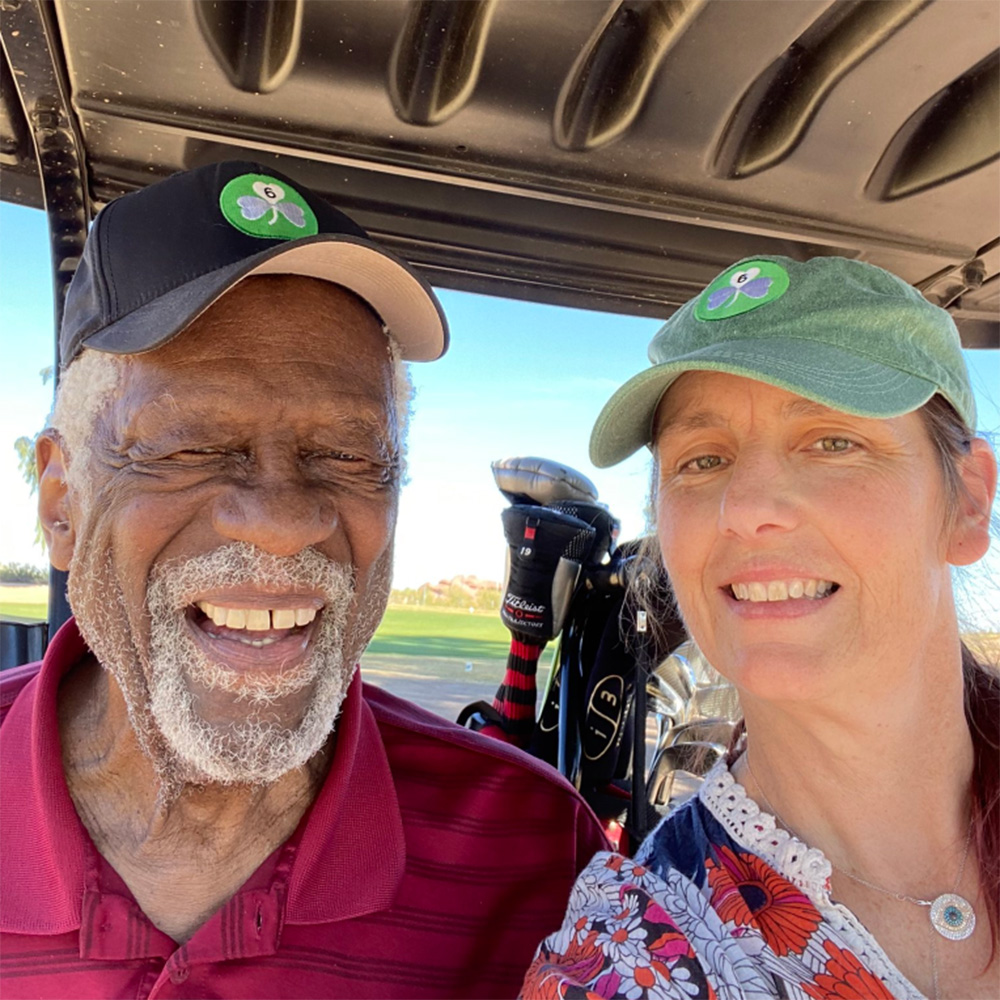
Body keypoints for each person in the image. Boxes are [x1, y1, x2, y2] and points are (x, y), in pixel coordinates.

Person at [0, 160, 609, 999]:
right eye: (190, 446)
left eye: (349, 457)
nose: (285, 521)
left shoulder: (536, 853)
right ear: (61, 502)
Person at [520, 255, 999, 999]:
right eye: (702, 460)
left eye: (831, 441)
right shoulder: (630, 959)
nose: (744, 506)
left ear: (967, 501)